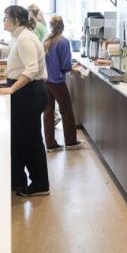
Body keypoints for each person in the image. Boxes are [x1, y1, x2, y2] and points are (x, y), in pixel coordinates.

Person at [0, 5, 50, 197]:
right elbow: (13, 56)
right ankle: (18, 181)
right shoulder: (20, 37)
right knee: (18, 138)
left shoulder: (25, 38)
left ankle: (40, 184)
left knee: (30, 140)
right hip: (26, 91)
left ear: (16, 19)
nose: (3, 22)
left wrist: (12, 88)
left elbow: (31, 68)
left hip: (30, 92)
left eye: (5, 18)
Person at [42, 15, 83, 152]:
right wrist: (74, 69)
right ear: (62, 26)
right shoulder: (63, 42)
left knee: (48, 112)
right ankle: (71, 141)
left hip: (46, 81)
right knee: (66, 111)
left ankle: (50, 144)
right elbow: (65, 66)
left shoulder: (47, 41)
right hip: (58, 82)